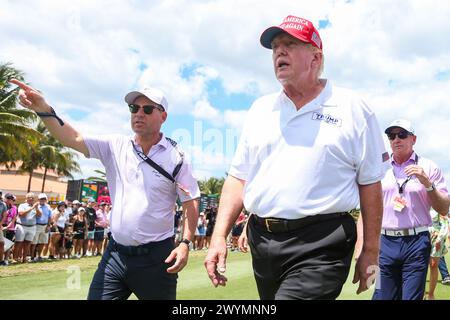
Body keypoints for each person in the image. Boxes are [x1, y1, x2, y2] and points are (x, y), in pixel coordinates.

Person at [204, 15, 389, 300]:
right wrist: (219, 237)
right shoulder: (260, 109)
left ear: (316, 57)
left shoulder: (352, 108)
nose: (279, 51)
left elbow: (370, 183)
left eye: (290, 44)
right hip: (263, 240)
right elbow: (238, 178)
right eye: (276, 46)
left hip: (322, 241)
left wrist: (371, 251)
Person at [11, 79, 200, 300]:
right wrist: (44, 110)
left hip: (156, 258)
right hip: (115, 254)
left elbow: (190, 201)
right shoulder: (115, 146)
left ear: (163, 116)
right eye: (134, 108)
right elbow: (73, 138)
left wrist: (185, 242)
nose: (139, 113)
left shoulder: (177, 158)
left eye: (147, 109)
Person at [364, 119, 449, 300]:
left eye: (402, 135)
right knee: (380, 296)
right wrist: (362, 247)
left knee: (411, 297)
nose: (396, 139)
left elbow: (443, 208)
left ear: (414, 139)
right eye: (391, 136)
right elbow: (366, 208)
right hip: (384, 242)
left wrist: (427, 183)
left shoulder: (429, 167)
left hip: (416, 242)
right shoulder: (379, 166)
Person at [14, 193, 42, 263]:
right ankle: (15, 258)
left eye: (32, 197)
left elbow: (39, 215)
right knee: (18, 243)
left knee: (28, 243)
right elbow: (21, 214)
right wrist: (32, 208)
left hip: (32, 227)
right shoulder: (22, 205)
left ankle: (24, 259)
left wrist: (36, 208)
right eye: (29, 197)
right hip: (22, 226)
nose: (31, 198)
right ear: (26, 198)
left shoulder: (36, 207)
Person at [427, 210, 448, 300]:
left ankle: (431, 294)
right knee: (419, 266)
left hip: (436, 238)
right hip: (420, 237)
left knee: (433, 265)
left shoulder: (438, 204)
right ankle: (419, 292)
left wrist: (440, 238)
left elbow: (445, 223)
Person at [31, 193, 53, 261]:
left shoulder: (48, 206)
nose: (43, 200)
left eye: (44, 199)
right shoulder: (35, 206)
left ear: (46, 199)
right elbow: (35, 215)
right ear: (38, 199)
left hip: (45, 226)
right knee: (34, 242)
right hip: (36, 225)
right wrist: (36, 208)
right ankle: (32, 257)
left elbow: (49, 217)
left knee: (42, 242)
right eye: (41, 199)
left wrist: (48, 226)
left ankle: (39, 256)